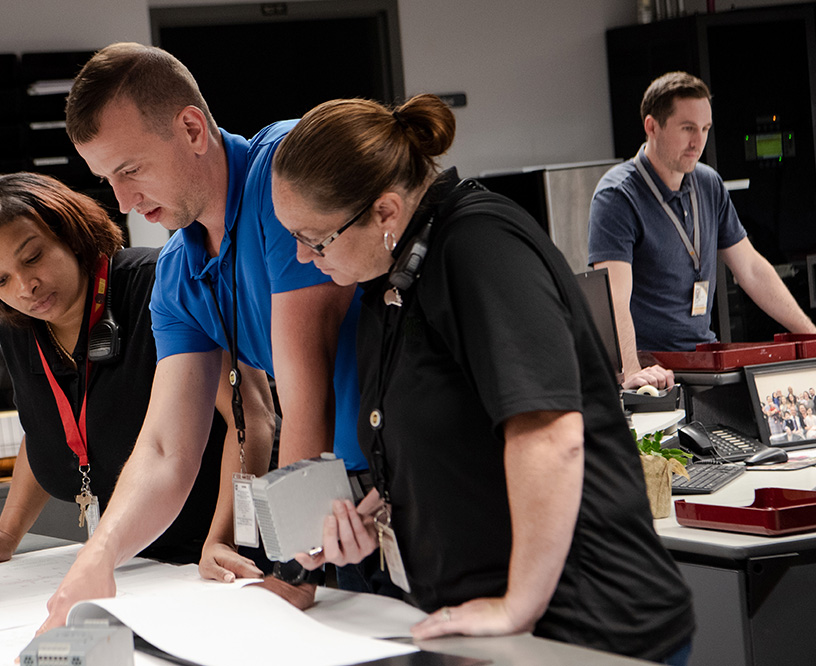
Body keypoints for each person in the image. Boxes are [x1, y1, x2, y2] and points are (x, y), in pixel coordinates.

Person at [270, 94, 695, 664]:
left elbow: (549, 435)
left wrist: (517, 604)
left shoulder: (479, 246)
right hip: (482, 630)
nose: (301, 257)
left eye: (314, 238)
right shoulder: (388, 286)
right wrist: (379, 518)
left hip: (584, 628)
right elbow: (455, 440)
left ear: (386, 213)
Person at [38, 42, 373, 632]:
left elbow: (304, 386)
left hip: (396, 487)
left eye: (131, 169)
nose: (123, 202)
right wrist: (99, 556)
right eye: (105, 179)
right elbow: (167, 447)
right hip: (332, 513)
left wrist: (293, 571)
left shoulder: (282, 176)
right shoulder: (177, 271)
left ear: (192, 128)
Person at [0, 172, 273, 571]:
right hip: (141, 558)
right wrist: (7, 534)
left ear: (71, 236)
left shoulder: (160, 284)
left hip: (225, 548)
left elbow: (253, 416)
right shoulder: (19, 331)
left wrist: (223, 539)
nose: (25, 287)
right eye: (0, 279)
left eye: (33, 257)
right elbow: (46, 430)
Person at [589, 71, 815, 389]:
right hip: (650, 372)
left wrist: (809, 335)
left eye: (705, 128)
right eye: (687, 129)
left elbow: (750, 268)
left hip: (702, 360)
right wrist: (632, 371)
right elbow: (615, 296)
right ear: (651, 126)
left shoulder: (708, 183)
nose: (698, 142)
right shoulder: (618, 195)